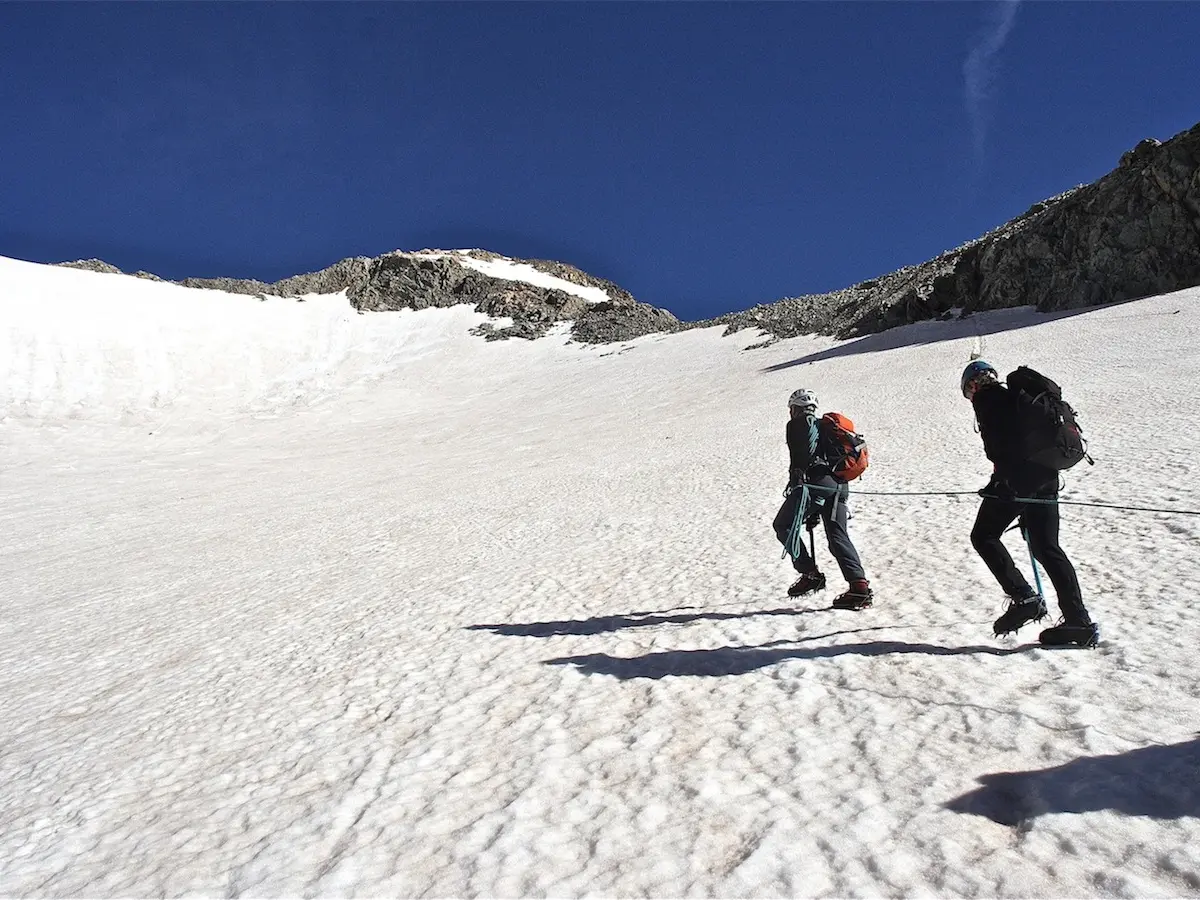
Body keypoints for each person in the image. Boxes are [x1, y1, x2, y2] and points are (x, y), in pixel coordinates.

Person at [961, 360, 1099, 647]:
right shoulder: (1019, 398)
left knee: (983, 536)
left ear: (973, 385)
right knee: (1047, 548)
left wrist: (1002, 484)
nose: (971, 397)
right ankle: (1078, 620)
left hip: (1018, 482)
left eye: (968, 391)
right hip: (1047, 477)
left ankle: (1024, 596)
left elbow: (1002, 449)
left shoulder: (989, 400)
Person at [772, 388, 872, 610]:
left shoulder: (799, 423)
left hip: (814, 484)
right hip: (839, 485)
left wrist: (798, 481)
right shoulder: (825, 427)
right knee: (838, 535)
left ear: (794, 408)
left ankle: (810, 573)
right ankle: (859, 587)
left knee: (783, 525)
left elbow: (803, 457)